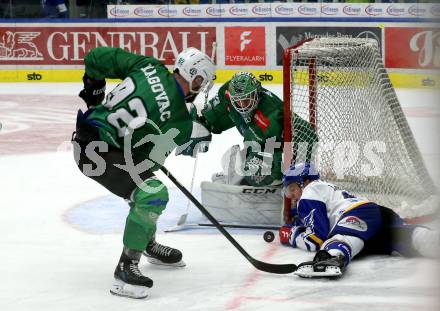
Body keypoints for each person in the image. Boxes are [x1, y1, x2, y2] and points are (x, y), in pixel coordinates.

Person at [72, 46, 215, 298]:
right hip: (95, 153)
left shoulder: (149, 66)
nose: (201, 88)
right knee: (152, 193)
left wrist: (95, 97)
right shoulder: (180, 119)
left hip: (88, 138)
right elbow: (147, 162)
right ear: (195, 76)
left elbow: (94, 58)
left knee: (144, 188)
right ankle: (126, 267)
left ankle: (146, 243)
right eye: (202, 82)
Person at [279, 162, 440, 278]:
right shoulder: (324, 188)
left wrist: (292, 236)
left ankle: (332, 258)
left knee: (337, 240)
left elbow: (316, 239)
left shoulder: (309, 192)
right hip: (377, 214)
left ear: (306, 181)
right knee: (407, 239)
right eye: (288, 191)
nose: (291, 195)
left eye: (293, 188)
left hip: (357, 214)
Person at [186, 71, 317, 188]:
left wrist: (297, 175)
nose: (242, 106)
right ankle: (245, 175)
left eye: (247, 100)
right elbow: (209, 118)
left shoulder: (272, 112)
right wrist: (197, 129)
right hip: (258, 145)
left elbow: (307, 135)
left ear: (256, 94)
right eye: (238, 101)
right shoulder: (227, 93)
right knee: (240, 161)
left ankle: (273, 180)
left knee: (256, 171)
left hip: (272, 145)